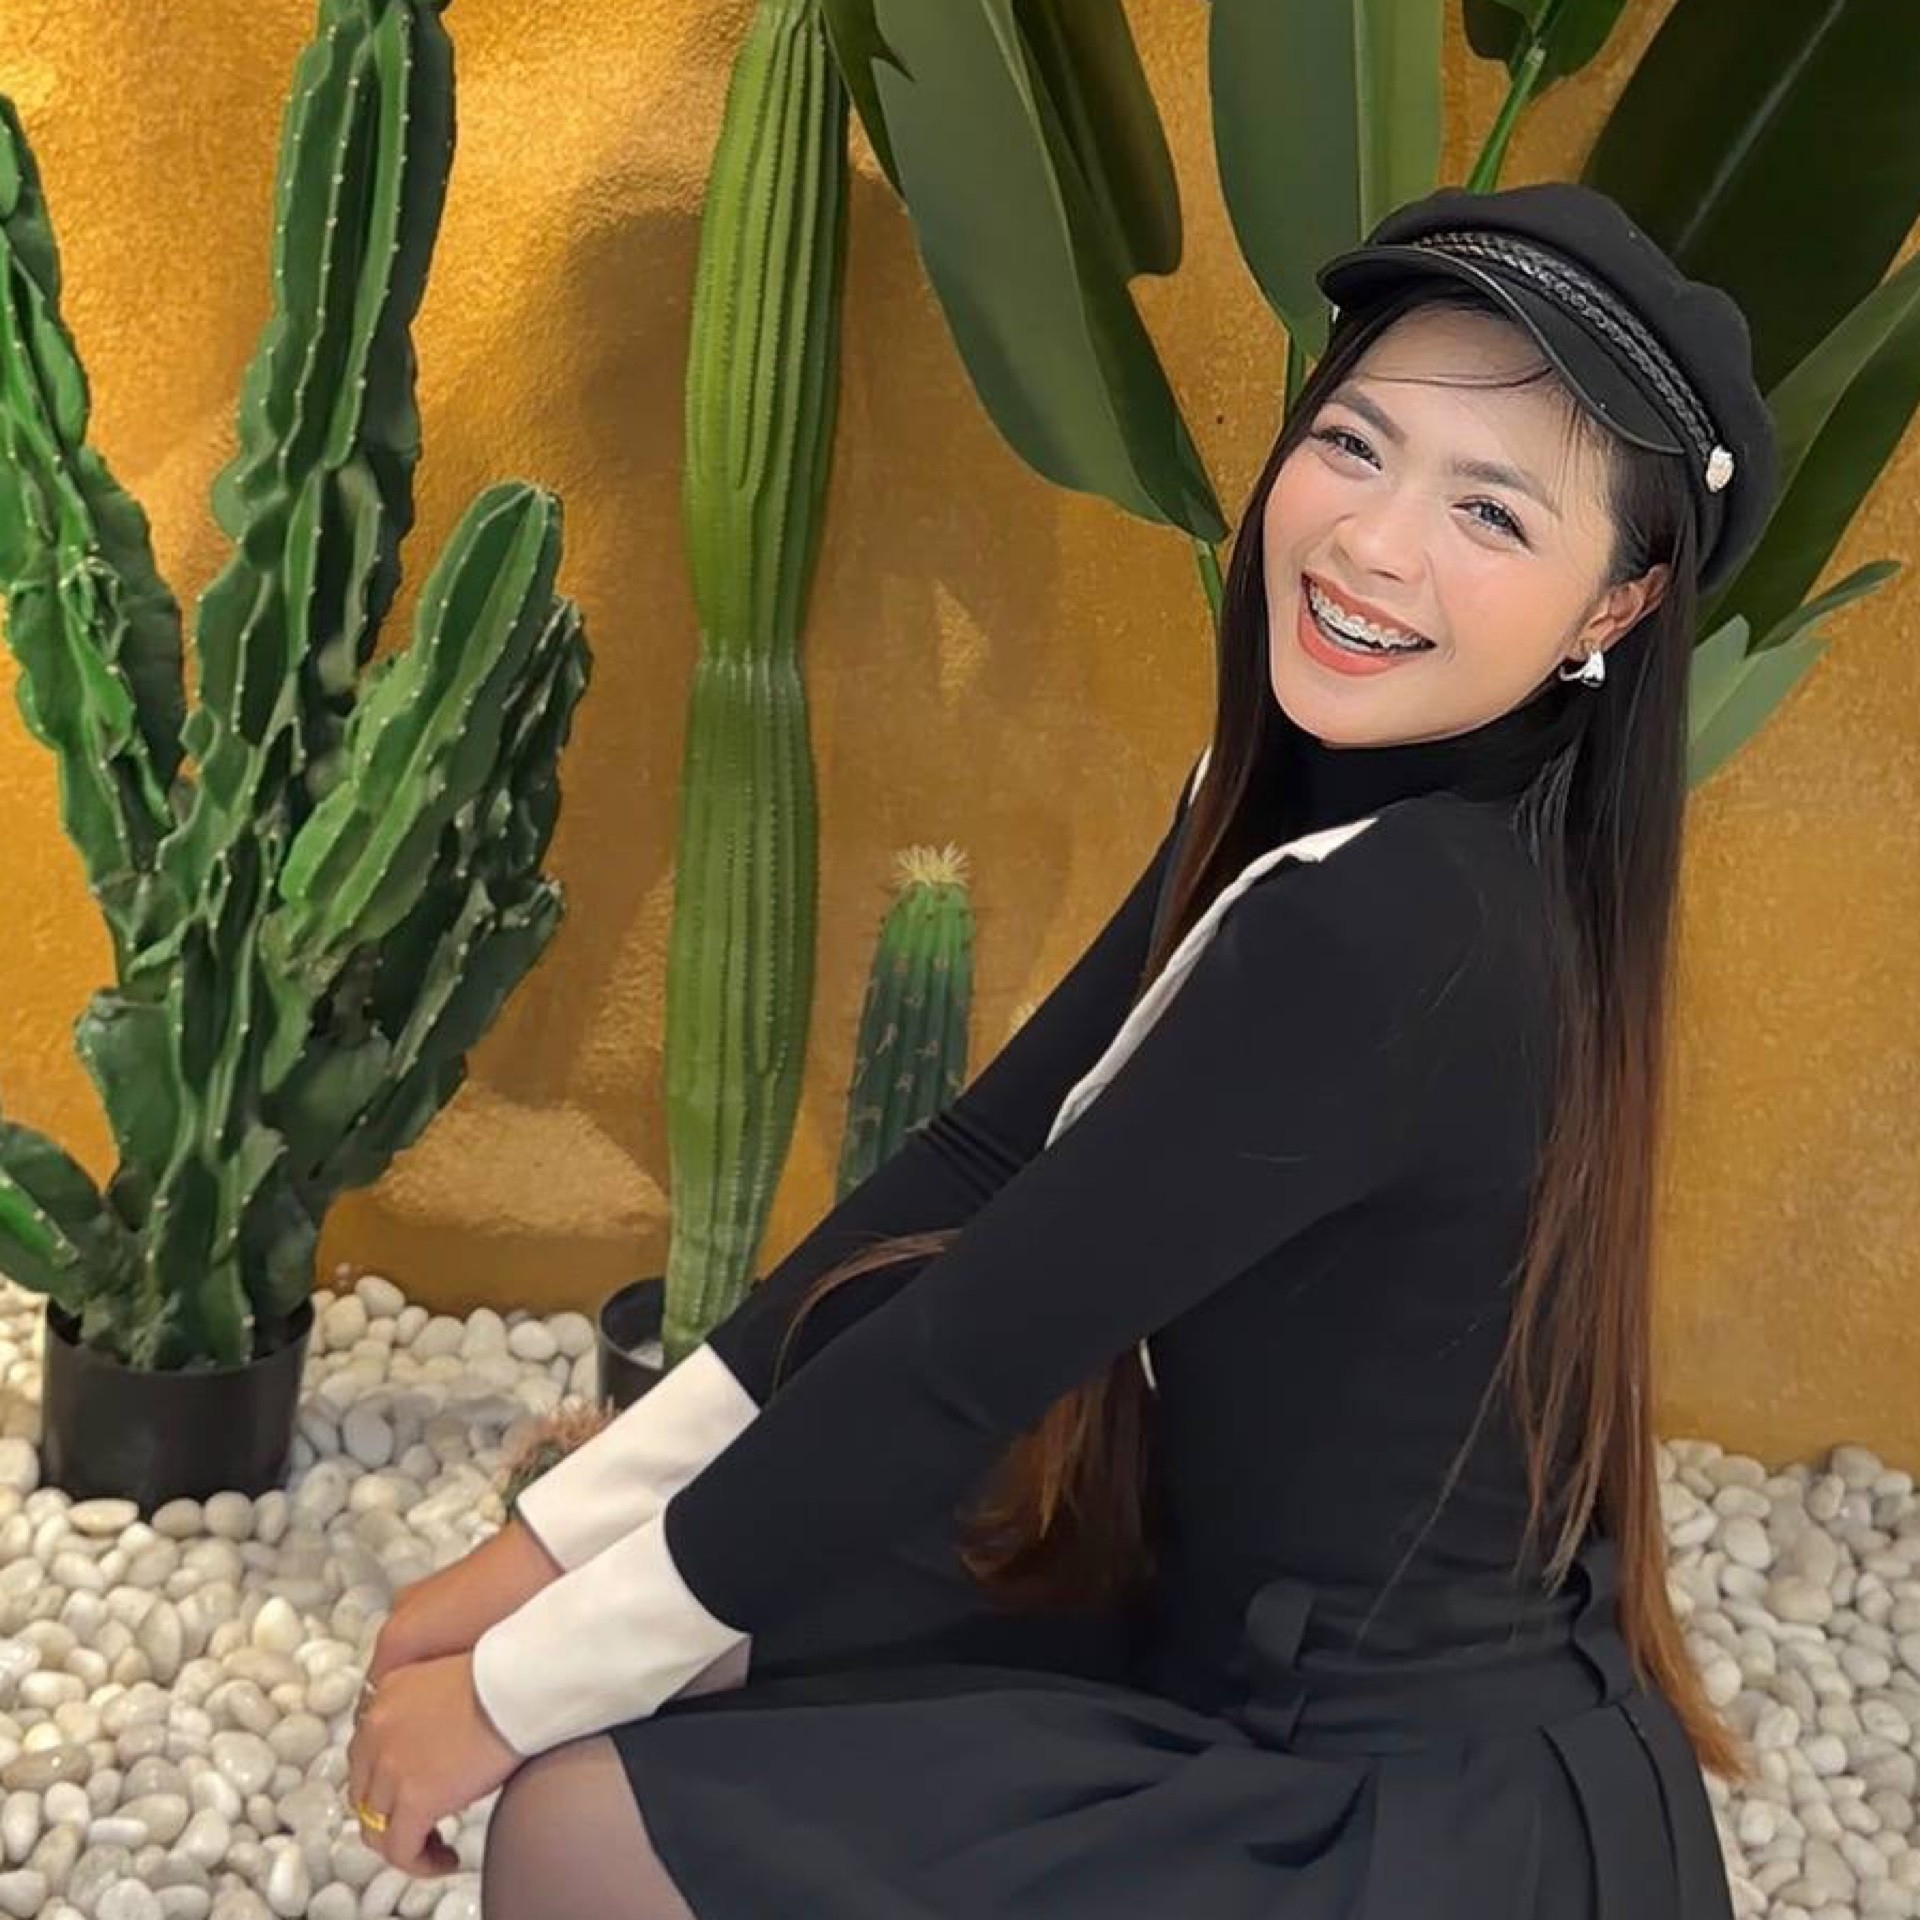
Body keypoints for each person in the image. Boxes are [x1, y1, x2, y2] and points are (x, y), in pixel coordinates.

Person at [344, 180, 1781, 1919]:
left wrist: (508, 1691)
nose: (1375, 544)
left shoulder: (1406, 926)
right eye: (1355, 444)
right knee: (692, 1671)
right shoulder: (1306, 804)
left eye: (1490, 510)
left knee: (577, 1826)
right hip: (1225, 1632)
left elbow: (970, 1354)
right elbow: (973, 1167)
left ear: (1615, 606)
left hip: (1394, 1818)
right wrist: (547, 1549)